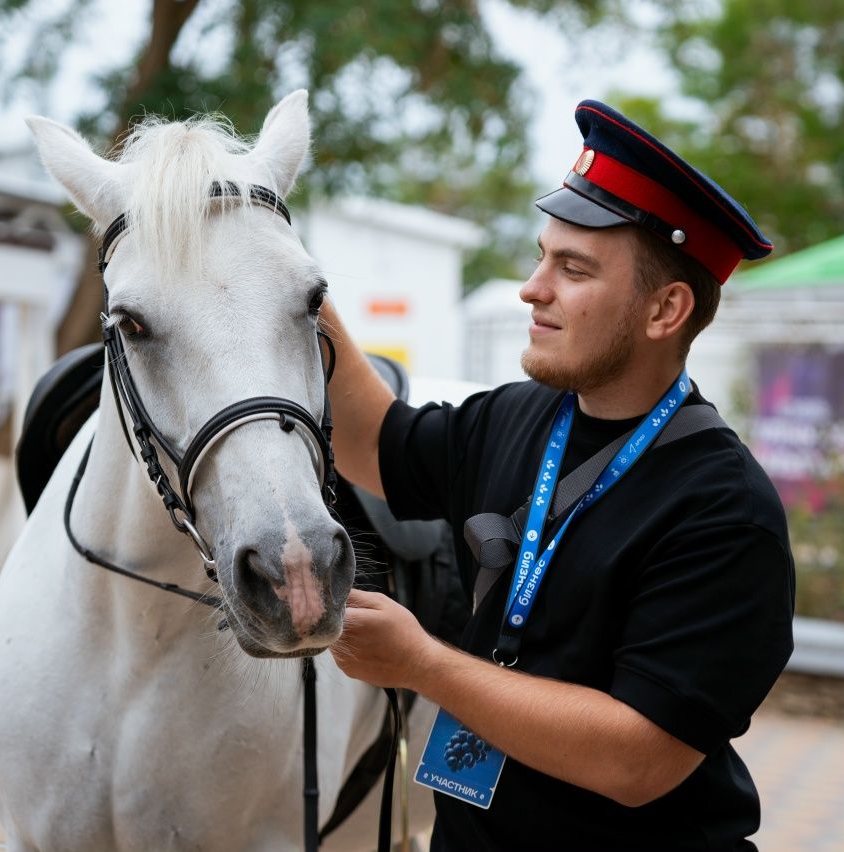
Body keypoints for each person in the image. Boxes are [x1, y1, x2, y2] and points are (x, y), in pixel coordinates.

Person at [325, 100, 794, 851]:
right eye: (542, 256)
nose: (531, 287)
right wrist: (289, 282)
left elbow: (638, 758)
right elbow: (373, 443)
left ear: (665, 309)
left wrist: (422, 665)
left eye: (572, 269)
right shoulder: (517, 415)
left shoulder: (724, 509)